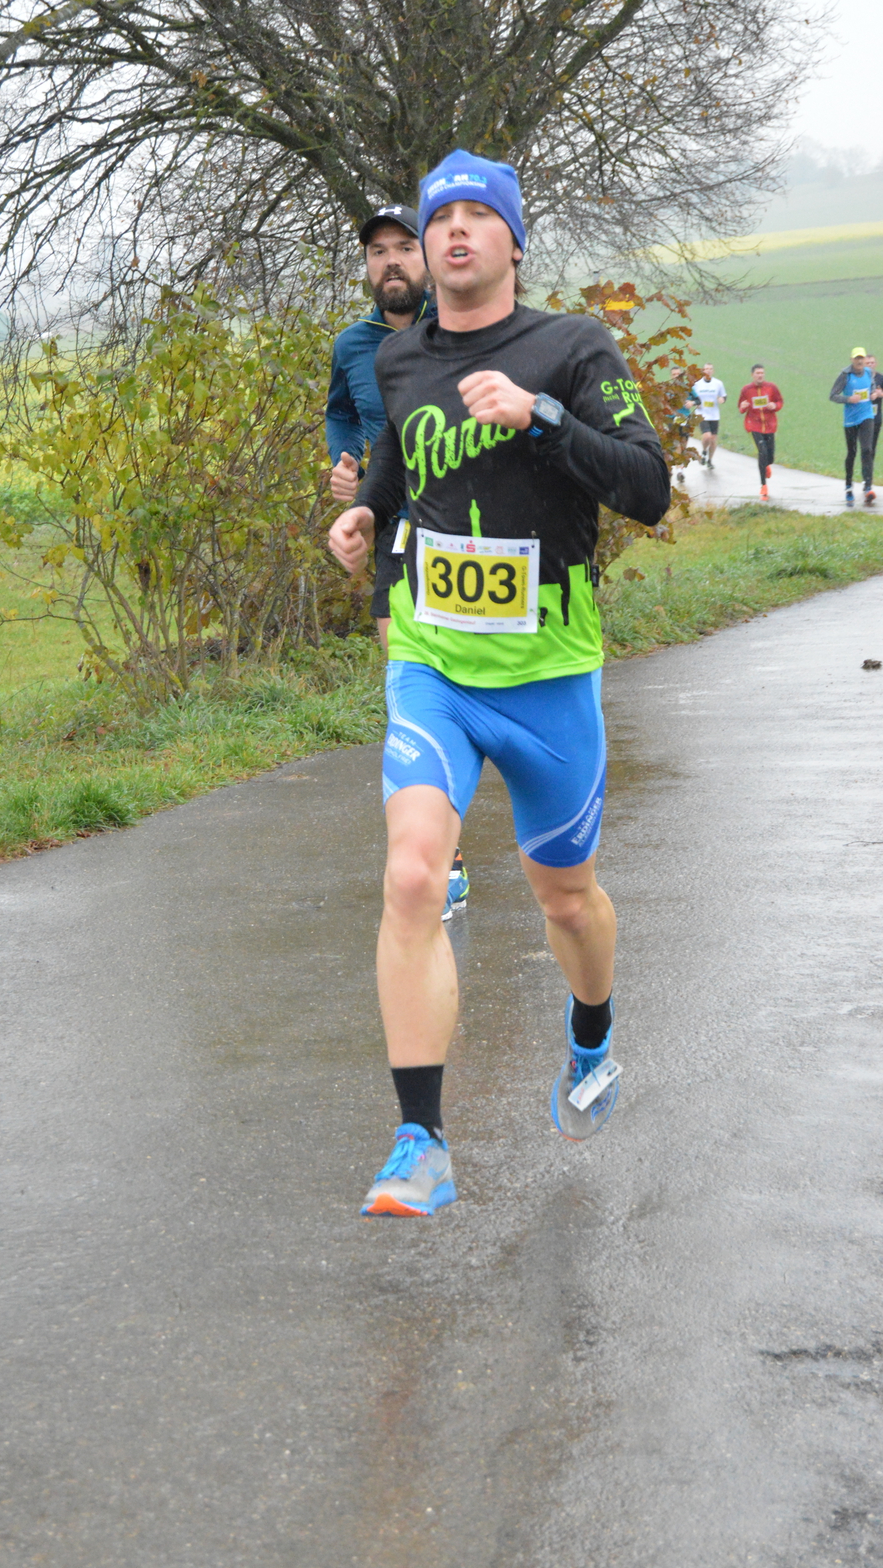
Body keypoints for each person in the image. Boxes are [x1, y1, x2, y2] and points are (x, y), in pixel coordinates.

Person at [328, 150, 669, 1218]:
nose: (456, 230)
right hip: (433, 662)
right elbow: (398, 460)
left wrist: (543, 418)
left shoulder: (572, 348)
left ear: (514, 243)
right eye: (442, 218)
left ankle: (592, 1035)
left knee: (566, 898)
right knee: (414, 876)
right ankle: (420, 1142)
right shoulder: (400, 358)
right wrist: (364, 512)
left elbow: (649, 486)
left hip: (548, 675)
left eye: (480, 215)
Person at [326, 204, 469, 919]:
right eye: (377, 250)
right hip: (393, 527)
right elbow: (341, 414)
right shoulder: (354, 345)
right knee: (408, 679)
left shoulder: (463, 328)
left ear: (428, 257)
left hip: (464, 526)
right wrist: (345, 466)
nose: (391, 261)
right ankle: (443, 858)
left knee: (462, 682)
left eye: (404, 248)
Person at [829, 347, 878, 506]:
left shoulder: (868, 372)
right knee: (852, 452)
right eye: (856, 358)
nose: (859, 361)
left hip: (867, 416)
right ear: (852, 360)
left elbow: (871, 387)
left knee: (867, 449)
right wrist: (849, 399)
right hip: (851, 420)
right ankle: (849, 487)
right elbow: (833, 396)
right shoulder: (845, 375)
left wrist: (873, 394)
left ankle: (868, 487)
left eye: (861, 358)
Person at [737, 364, 784, 500]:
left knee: (770, 456)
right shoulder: (746, 389)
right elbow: (741, 406)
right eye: (757, 373)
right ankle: (763, 485)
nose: (760, 375)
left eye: (762, 373)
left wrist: (774, 405)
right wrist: (743, 407)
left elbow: (779, 401)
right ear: (752, 375)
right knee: (762, 451)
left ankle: (767, 464)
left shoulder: (771, 387)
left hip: (769, 425)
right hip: (754, 425)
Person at [691, 363, 727, 466]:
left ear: (713, 371)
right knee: (707, 436)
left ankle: (710, 460)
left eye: (710, 369)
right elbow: (692, 396)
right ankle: (703, 451)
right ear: (703, 371)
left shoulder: (718, 383)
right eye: (706, 369)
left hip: (714, 415)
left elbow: (724, 396)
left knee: (713, 439)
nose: (708, 371)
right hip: (701, 414)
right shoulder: (697, 384)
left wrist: (722, 399)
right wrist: (695, 403)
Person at [868, 354, 883, 461]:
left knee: (872, 445)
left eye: (872, 363)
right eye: (868, 363)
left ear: (876, 364)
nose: (870, 365)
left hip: (876, 417)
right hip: (861, 415)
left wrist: (880, 394)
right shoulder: (860, 378)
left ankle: (869, 468)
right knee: (864, 446)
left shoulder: (880, 378)